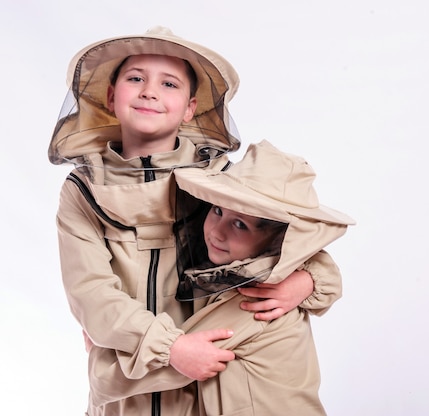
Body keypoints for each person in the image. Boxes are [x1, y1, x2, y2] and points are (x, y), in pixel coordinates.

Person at [49, 27, 344, 415]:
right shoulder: (82, 190)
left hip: (205, 381)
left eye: (168, 83)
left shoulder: (222, 182)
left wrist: (309, 279)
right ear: (110, 96)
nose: (149, 91)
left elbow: (290, 237)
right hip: (131, 387)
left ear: (190, 107)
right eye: (135, 78)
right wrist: (168, 347)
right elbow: (89, 292)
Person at [87, 140, 355, 416]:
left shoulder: (255, 301)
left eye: (240, 224)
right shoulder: (239, 276)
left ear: (278, 239)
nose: (217, 232)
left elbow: (164, 365)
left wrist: (99, 355)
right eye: (217, 210)